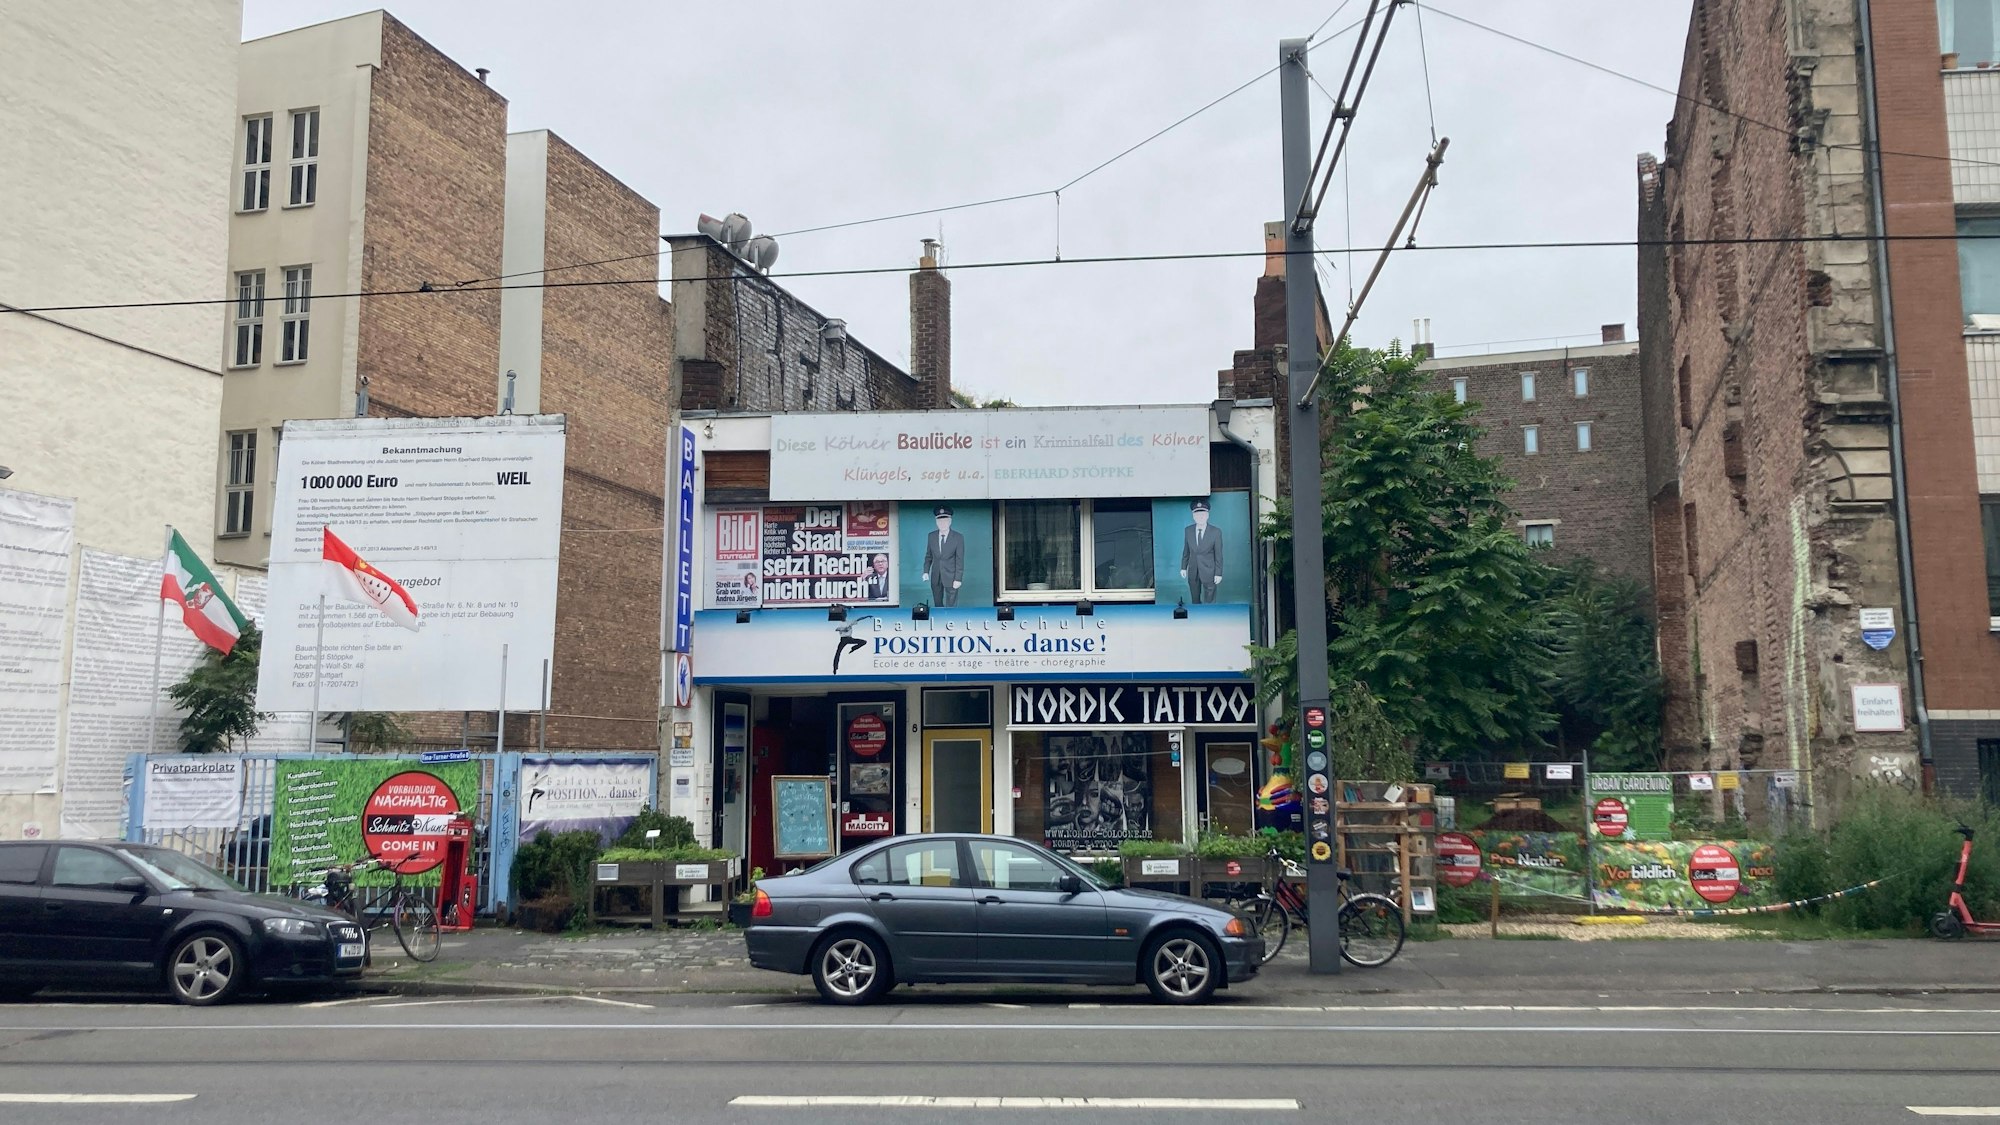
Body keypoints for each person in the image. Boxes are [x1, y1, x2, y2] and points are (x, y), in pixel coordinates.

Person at [1179, 499, 1223, 604]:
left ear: (1208, 515)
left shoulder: (1215, 532)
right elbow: (1186, 551)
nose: (1200, 517)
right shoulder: (1188, 530)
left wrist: (1218, 573)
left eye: (1203, 514)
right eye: (1197, 515)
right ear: (1193, 516)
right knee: (1195, 600)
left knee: (1210, 601)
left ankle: (1210, 614)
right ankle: (1196, 614)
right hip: (1193, 570)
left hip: (1209, 571)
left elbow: (1218, 555)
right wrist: (1183, 567)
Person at [921, 506, 965, 607]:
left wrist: (958, 579)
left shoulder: (958, 537)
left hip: (951, 576)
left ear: (950, 522)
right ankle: (939, 617)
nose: (942, 524)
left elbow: (959, 560)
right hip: (936, 576)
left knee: (951, 606)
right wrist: (926, 571)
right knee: (937, 604)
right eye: (940, 521)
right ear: (936, 522)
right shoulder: (931, 536)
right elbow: (928, 556)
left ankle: (951, 617)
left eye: (945, 521)